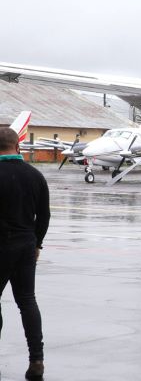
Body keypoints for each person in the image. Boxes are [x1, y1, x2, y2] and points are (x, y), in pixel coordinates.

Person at [0, 127, 50, 380]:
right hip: (25, 246)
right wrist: (37, 243)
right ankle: (36, 359)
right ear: (17, 146)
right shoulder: (35, 175)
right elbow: (44, 216)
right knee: (27, 301)